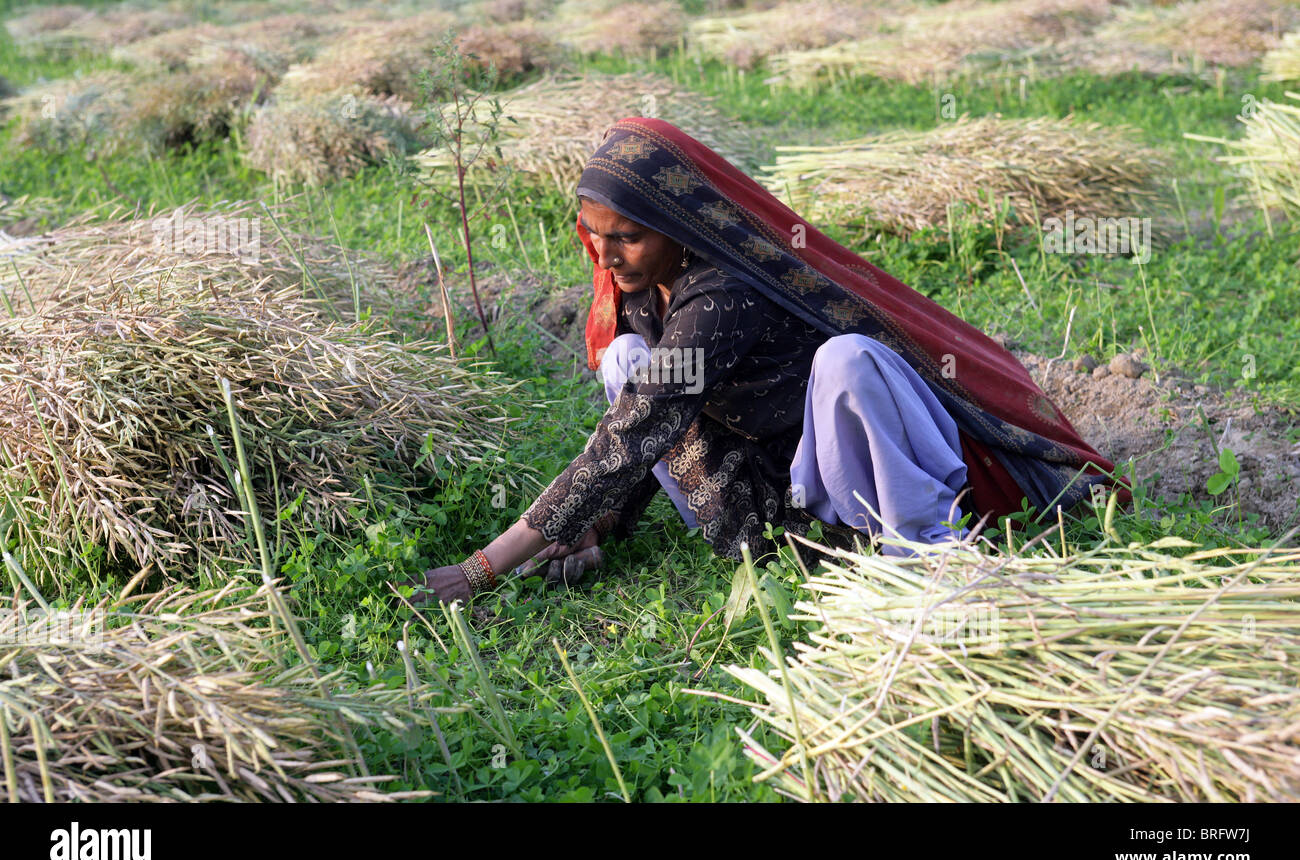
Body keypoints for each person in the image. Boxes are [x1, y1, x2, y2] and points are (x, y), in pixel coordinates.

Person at [414, 117, 1127, 603]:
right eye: (594, 234)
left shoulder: (722, 294)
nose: (605, 255)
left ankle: (923, 553)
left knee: (851, 359)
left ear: (676, 226)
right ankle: (787, 551)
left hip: (836, 475)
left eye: (626, 237)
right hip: (757, 492)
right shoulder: (642, 290)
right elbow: (642, 422)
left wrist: (482, 568)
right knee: (628, 358)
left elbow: (633, 433)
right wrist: (596, 522)